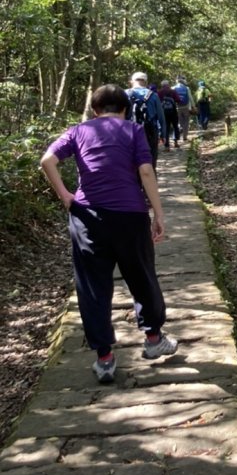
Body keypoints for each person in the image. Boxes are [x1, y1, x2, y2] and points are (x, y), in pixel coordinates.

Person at [40, 84, 178, 384]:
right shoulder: (133, 131)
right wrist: (158, 213)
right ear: (125, 109)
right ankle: (154, 340)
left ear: (94, 109)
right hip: (130, 216)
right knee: (141, 275)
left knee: (92, 286)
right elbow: (145, 172)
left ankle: (104, 359)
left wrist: (65, 195)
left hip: (87, 218)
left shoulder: (77, 131)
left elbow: (47, 160)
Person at [126, 72, 166, 169]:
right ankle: (150, 181)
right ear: (146, 82)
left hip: (128, 132)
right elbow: (161, 117)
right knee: (150, 162)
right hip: (150, 132)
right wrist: (163, 135)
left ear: (132, 81)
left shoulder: (125, 93)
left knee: (130, 163)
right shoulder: (153, 95)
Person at [158, 79, 181, 150]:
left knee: (166, 128)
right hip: (173, 112)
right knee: (175, 126)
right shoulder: (173, 91)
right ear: (168, 85)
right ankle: (176, 142)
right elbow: (178, 100)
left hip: (164, 113)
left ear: (162, 85)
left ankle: (167, 145)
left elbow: (157, 102)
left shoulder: (159, 92)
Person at [173, 75, 194, 141]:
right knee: (186, 122)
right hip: (186, 107)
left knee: (179, 121)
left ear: (176, 81)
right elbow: (190, 98)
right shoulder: (187, 88)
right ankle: (185, 136)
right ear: (182, 81)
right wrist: (193, 106)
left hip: (177, 107)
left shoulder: (173, 88)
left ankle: (179, 129)